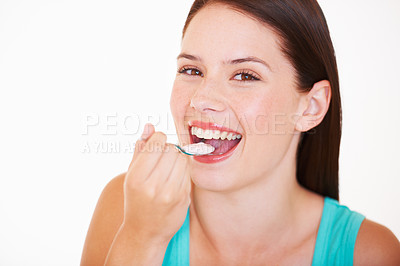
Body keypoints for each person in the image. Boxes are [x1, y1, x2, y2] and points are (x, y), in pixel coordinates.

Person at [81, 0, 400, 265]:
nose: (201, 100)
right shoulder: (127, 208)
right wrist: (141, 238)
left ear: (311, 107)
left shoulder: (370, 254)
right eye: (192, 70)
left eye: (245, 75)